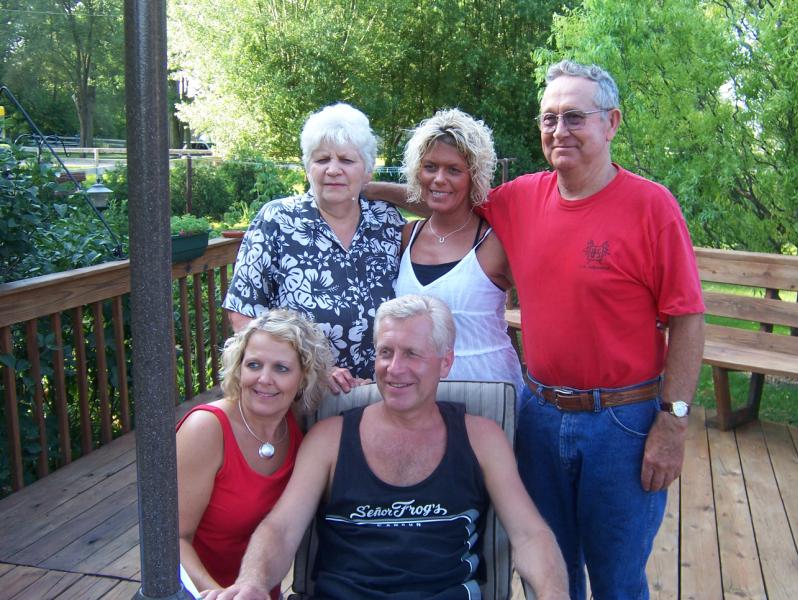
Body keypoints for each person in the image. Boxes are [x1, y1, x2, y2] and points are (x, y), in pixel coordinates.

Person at [366, 61, 706, 600]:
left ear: (612, 122)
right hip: (540, 417)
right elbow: (441, 193)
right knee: (547, 572)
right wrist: (354, 186)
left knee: (617, 580)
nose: (559, 130)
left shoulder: (651, 206)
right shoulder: (521, 199)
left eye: (574, 117)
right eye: (549, 118)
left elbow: (687, 316)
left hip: (623, 423)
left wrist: (674, 422)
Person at [203, 295, 569, 600]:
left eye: (412, 354)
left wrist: (553, 594)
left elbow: (530, 534)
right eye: (385, 352)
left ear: (445, 362)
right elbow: (281, 528)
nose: (394, 368)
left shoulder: (481, 439)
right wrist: (253, 581)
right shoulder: (330, 439)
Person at [222, 103, 405, 393]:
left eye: (347, 160)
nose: (333, 170)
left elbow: (445, 205)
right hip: (300, 395)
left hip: (380, 392)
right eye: (322, 159)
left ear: (367, 172)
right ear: (308, 167)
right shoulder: (278, 219)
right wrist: (313, 370)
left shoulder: (386, 221)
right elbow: (243, 312)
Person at [176, 309, 332, 597]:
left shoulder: (296, 425)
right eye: (254, 365)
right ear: (239, 369)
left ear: (304, 377)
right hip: (199, 592)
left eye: (281, 368)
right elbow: (172, 539)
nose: (264, 379)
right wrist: (218, 594)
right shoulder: (206, 429)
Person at [395, 108, 525, 397]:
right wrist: (368, 189)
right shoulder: (407, 236)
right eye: (430, 167)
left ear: (473, 176)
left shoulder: (494, 242)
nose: (439, 179)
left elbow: (541, 309)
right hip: (419, 398)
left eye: (453, 170)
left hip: (488, 393)